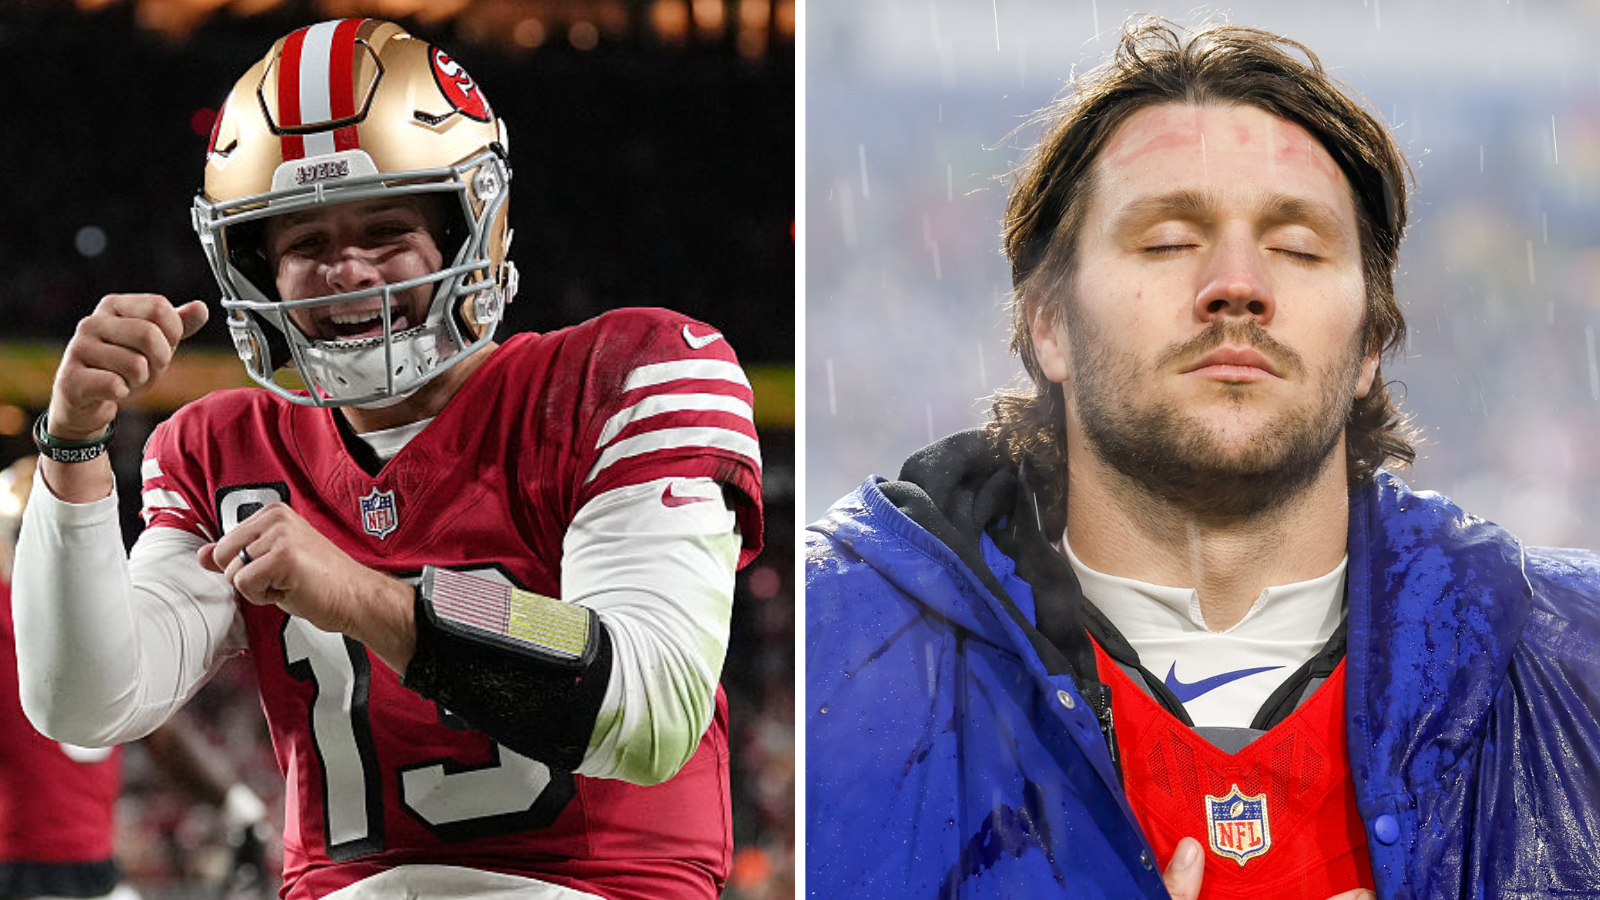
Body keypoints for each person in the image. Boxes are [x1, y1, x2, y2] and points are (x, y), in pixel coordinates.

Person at [806, 17, 1600, 900]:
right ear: (1049, 324)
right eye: (1168, 241)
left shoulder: (1579, 663)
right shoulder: (836, 658)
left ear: (1372, 342)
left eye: (1297, 246)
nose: (1237, 282)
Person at [12, 18, 762, 900]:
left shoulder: (625, 373)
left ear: (464, 228)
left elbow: (650, 702)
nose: (349, 273)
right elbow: (87, 703)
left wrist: (369, 597)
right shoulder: (222, 448)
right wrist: (72, 451)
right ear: (254, 271)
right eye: (306, 245)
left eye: (386, 228)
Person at [0, 456, 272, 900]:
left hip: (59, 872)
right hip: (69, 876)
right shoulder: (102, 609)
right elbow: (161, 733)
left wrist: (240, 809)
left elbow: (159, 729)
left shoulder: (22, 611)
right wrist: (241, 809)